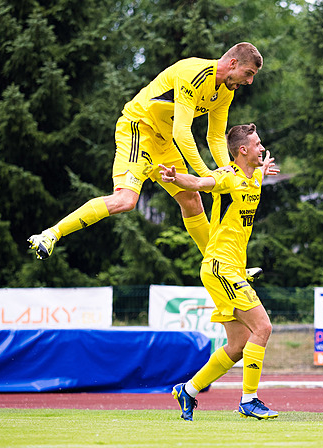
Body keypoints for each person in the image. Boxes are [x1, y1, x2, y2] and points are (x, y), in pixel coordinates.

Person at [28, 43, 264, 281]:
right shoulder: (193, 73)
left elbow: (214, 136)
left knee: (192, 200)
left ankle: (222, 268)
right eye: (248, 74)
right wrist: (208, 176)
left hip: (163, 141)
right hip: (138, 130)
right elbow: (182, 132)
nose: (249, 82)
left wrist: (230, 173)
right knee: (126, 200)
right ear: (233, 63)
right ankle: (50, 234)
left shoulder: (226, 90)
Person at [160, 123, 279, 421]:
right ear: (242, 150)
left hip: (231, 268)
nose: (261, 148)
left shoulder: (256, 175)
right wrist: (177, 178)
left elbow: (259, 170)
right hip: (220, 267)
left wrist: (263, 166)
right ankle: (248, 401)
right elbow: (200, 184)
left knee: (238, 346)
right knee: (263, 328)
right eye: (257, 145)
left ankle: (188, 390)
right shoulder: (227, 177)